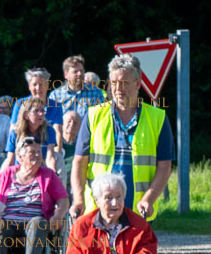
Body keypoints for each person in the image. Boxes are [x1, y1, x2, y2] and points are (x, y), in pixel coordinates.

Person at [70, 54, 177, 217]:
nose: (118, 88)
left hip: (138, 212)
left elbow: (164, 167)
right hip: (98, 211)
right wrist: (78, 199)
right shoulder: (93, 115)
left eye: (124, 83)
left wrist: (149, 199)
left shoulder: (158, 118)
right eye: (114, 83)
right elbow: (79, 162)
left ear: (138, 84)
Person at [0, 136, 70, 254]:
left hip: (35, 224)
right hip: (9, 222)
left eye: (39, 152)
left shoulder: (48, 175)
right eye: (32, 152)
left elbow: (63, 199)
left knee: (38, 222)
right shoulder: (7, 174)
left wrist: (57, 216)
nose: (37, 155)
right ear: (19, 157)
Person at [0, 95, 56, 178]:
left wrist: (53, 175)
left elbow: (50, 157)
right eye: (36, 111)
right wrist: (3, 179)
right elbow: (10, 160)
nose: (41, 114)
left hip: (42, 172)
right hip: (20, 172)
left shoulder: (49, 131)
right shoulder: (15, 133)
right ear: (26, 115)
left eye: (43, 110)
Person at [48, 54, 105, 124]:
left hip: (88, 134)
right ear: (66, 74)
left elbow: (103, 118)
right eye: (75, 71)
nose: (80, 74)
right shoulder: (55, 96)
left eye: (81, 71)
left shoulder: (95, 92)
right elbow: (50, 122)